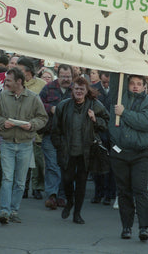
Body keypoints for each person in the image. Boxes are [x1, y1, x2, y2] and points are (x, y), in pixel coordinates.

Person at [0, 67, 48, 224]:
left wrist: (31, 125)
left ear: (19, 82)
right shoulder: (2, 97)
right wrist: (3, 123)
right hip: (7, 143)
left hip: (25, 144)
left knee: (20, 181)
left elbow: (43, 118)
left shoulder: (33, 98)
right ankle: (4, 210)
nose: (6, 83)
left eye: (9, 80)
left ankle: (14, 210)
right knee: (7, 178)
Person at [51, 77, 109, 224]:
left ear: (86, 91)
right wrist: (59, 146)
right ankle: (70, 202)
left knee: (82, 183)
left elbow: (106, 122)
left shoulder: (94, 105)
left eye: (82, 89)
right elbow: (55, 129)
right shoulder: (63, 106)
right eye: (76, 88)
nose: (79, 91)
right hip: (67, 150)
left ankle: (77, 213)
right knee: (67, 180)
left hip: (86, 151)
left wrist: (95, 119)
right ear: (72, 89)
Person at [108, 74, 148, 241]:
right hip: (120, 153)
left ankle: (144, 227)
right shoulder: (118, 97)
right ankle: (126, 226)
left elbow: (146, 123)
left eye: (139, 84)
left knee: (140, 189)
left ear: (145, 86)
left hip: (140, 154)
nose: (135, 86)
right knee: (124, 191)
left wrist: (124, 113)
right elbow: (116, 78)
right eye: (132, 83)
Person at [39, 64, 73, 210]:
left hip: (70, 135)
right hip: (51, 133)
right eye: (63, 76)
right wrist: (50, 108)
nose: (65, 79)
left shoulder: (75, 90)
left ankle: (62, 196)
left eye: (68, 77)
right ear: (57, 75)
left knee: (65, 165)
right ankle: (52, 195)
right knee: (52, 165)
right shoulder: (48, 88)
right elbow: (38, 104)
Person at [16, 57, 47, 200]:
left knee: (38, 162)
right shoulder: (16, 84)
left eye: (20, 69)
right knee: (22, 161)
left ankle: (38, 187)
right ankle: (23, 187)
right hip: (19, 129)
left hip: (36, 130)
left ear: (28, 71)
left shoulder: (42, 85)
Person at [90, 71, 116, 205]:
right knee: (97, 165)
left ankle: (109, 193)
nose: (106, 84)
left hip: (113, 132)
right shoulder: (94, 90)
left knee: (111, 165)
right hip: (99, 132)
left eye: (108, 82)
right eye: (104, 82)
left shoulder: (117, 91)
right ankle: (98, 192)